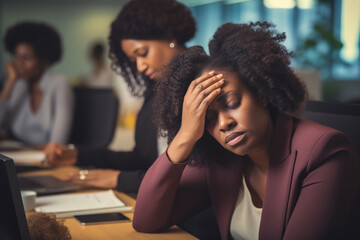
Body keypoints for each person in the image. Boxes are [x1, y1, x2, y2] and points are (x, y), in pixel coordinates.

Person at [132, 22, 360, 239]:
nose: (223, 123)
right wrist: (185, 136)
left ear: (261, 93)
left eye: (232, 103)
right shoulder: (221, 158)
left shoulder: (325, 152)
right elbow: (146, 221)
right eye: (208, 118)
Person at [44, 0, 196, 193]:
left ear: (170, 36)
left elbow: (190, 179)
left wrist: (121, 180)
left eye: (143, 53)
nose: (140, 67)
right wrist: (79, 156)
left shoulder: (202, 85)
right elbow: (143, 158)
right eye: (134, 60)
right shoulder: (156, 90)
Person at [0, 22, 74, 147]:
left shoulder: (59, 84)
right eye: (16, 57)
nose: (19, 64)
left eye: (27, 58)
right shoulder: (18, 85)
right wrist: (10, 81)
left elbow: (57, 143)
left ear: (44, 60)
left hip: (45, 159)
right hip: (19, 156)